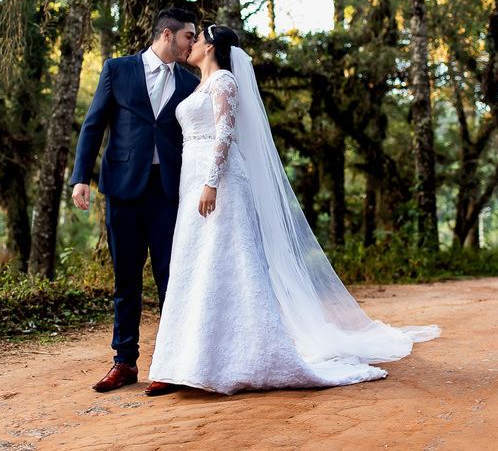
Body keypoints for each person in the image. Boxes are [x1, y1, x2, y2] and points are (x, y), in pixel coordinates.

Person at [144, 25, 439, 396]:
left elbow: (224, 134)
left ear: (212, 46)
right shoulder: (198, 85)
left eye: (198, 36)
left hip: (219, 182)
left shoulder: (225, 82)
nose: (193, 42)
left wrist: (212, 182)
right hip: (192, 181)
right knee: (192, 266)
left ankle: (237, 359)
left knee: (226, 264)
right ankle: (183, 362)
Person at [69, 8, 199, 392]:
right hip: (122, 188)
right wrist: (81, 178)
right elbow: (93, 125)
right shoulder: (117, 69)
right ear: (167, 35)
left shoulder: (191, 83)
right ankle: (124, 363)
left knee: (169, 279)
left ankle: (170, 364)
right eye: (188, 36)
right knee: (126, 279)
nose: (192, 42)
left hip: (168, 192)